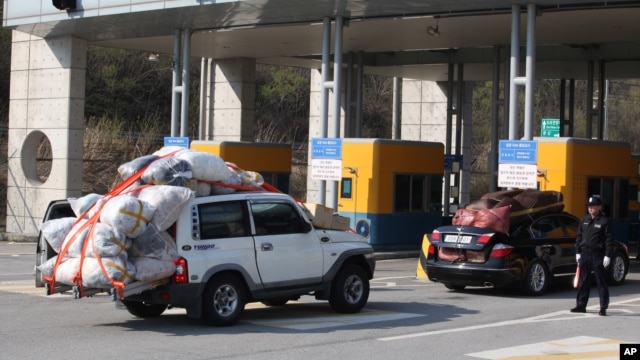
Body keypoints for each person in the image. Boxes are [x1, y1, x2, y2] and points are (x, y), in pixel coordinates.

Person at [571, 195, 613, 316]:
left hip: (598, 255)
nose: (590, 208)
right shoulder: (584, 219)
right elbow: (579, 236)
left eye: (593, 206)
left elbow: (609, 239)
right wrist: (578, 252)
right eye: (589, 206)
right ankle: (581, 305)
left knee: (601, 282)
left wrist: (608, 255)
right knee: (584, 281)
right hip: (585, 254)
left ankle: (603, 307)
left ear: (599, 207)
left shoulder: (604, 221)